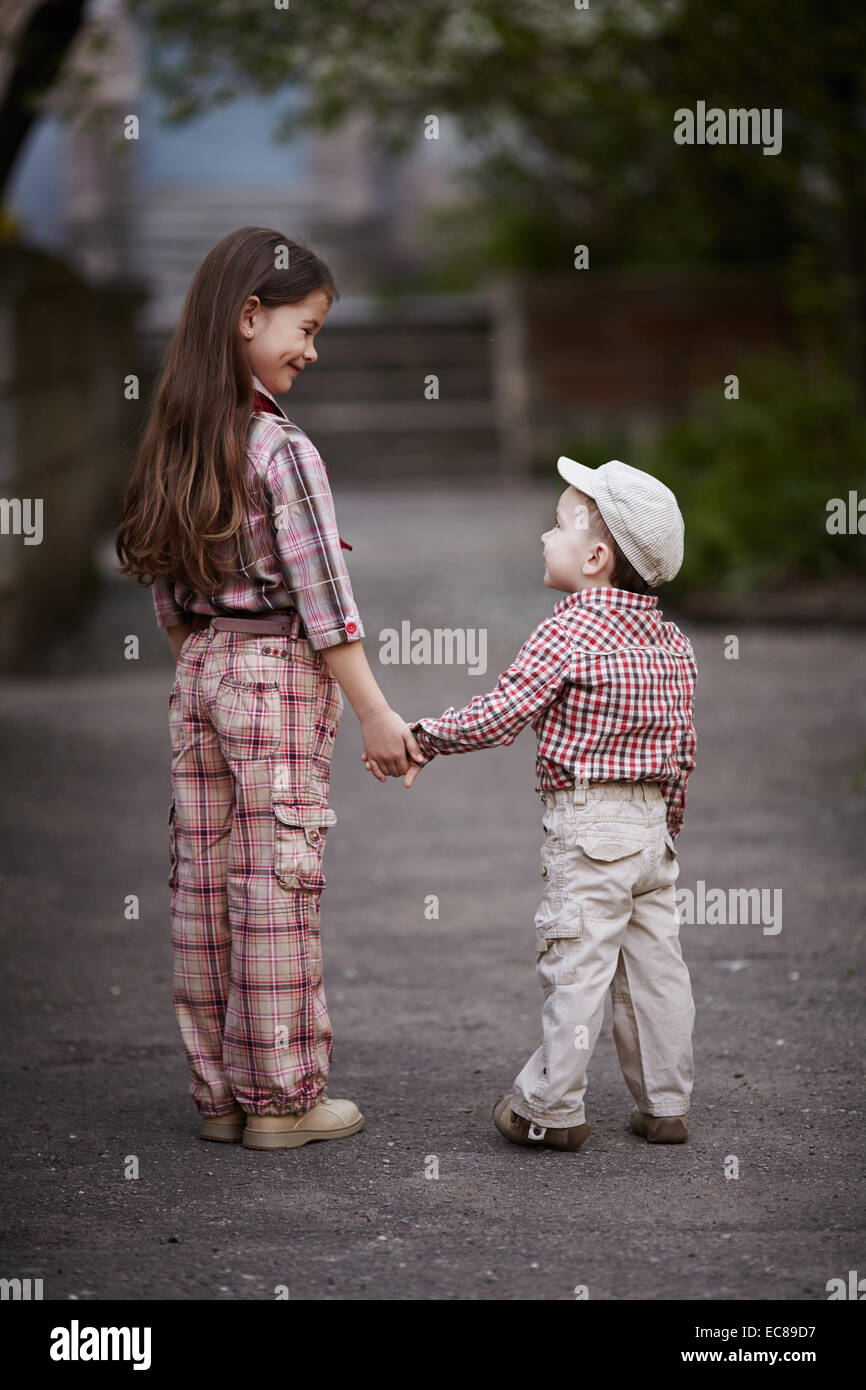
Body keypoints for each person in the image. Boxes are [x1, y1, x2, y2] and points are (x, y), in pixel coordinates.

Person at [115, 226, 424, 1151]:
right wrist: (375, 713)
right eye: (307, 325)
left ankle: (222, 1098)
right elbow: (326, 602)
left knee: (204, 884)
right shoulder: (281, 451)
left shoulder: (180, 435)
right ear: (250, 314)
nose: (314, 349)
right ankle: (282, 1101)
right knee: (276, 887)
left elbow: (167, 591)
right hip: (274, 676)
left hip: (202, 671)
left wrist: (208, 669)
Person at [366, 458, 698, 1151]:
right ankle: (666, 1104)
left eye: (557, 524)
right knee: (656, 970)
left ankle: (549, 1108)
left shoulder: (567, 631)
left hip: (590, 829)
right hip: (652, 834)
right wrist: (669, 826)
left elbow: (501, 714)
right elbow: (683, 748)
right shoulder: (673, 643)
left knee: (577, 965)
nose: (545, 536)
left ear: (596, 557)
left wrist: (424, 738)